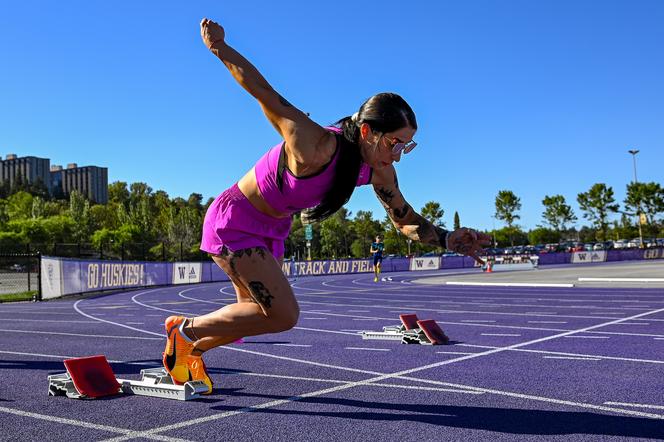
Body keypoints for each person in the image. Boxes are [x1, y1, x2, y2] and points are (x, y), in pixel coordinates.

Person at [162, 17, 492, 394]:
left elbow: (406, 220)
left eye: (406, 146)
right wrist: (219, 46)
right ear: (367, 131)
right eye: (394, 143)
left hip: (271, 228)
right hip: (235, 219)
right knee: (283, 314)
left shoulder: (377, 171)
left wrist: (450, 239)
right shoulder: (315, 144)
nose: (398, 156)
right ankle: (183, 331)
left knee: (253, 318)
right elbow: (262, 91)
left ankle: (187, 347)